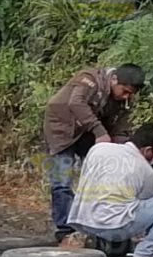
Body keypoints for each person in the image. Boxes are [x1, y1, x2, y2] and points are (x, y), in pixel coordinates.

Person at [43, 64, 145, 244]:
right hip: (61, 129)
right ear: (114, 80)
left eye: (130, 94)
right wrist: (99, 131)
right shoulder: (89, 79)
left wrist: (124, 149)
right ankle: (65, 230)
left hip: (87, 132)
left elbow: (120, 127)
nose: (127, 96)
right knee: (62, 181)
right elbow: (76, 102)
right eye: (125, 91)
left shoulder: (124, 99)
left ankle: (95, 224)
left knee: (100, 178)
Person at [64, 123, 153, 257]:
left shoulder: (98, 149)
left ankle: (91, 238)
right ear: (148, 150)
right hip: (115, 227)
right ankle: (145, 254)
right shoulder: (146, 170)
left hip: (83, 220)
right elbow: (145, 205)